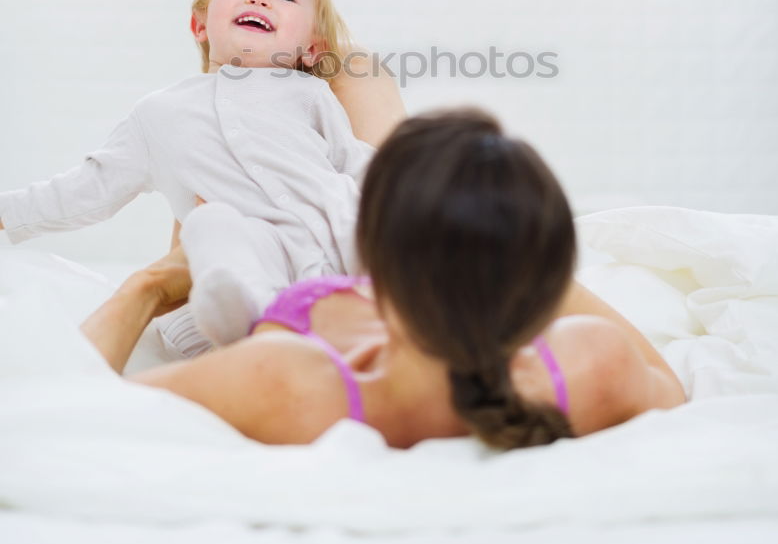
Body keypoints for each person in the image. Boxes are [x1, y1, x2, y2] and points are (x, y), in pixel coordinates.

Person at [81, 108, 686, 450]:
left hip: (301, 297)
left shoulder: (287, 380)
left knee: (341, 127)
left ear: (369, 252)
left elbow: (71, 410)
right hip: (438, 293)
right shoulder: (589, 366)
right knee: (360, 109)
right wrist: (506, 252)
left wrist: (151, 286)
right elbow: (668, 389)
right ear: (543, 282)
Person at [0, 0, 405, 358]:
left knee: (380, 230)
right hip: (257, 248)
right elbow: (87, 189)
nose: (261, 0)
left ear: (311, 48)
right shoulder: (160, 113)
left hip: (338, 232)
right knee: (210, 226)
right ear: (199, 24)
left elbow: (352, 161)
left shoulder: (311, 93)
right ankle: (246, 310)